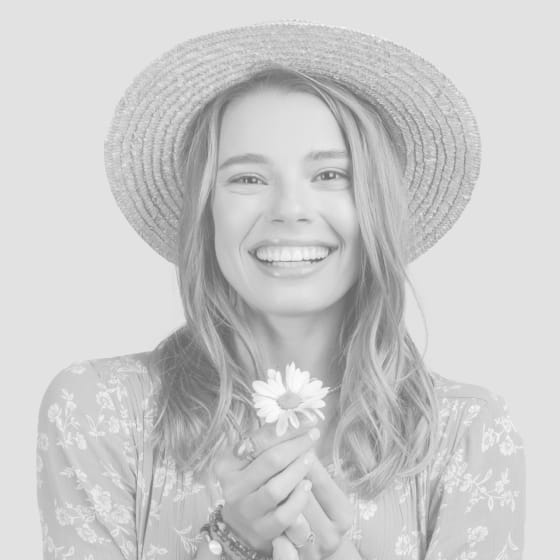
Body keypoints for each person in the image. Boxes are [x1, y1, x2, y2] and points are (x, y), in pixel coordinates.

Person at [35, 19, 525, 560]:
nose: (289, 210)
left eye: (331, 175)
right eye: (247, 178)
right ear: (206, 213)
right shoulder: (100, 411)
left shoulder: (467, 433)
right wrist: (233, 543)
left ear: (377, 207)